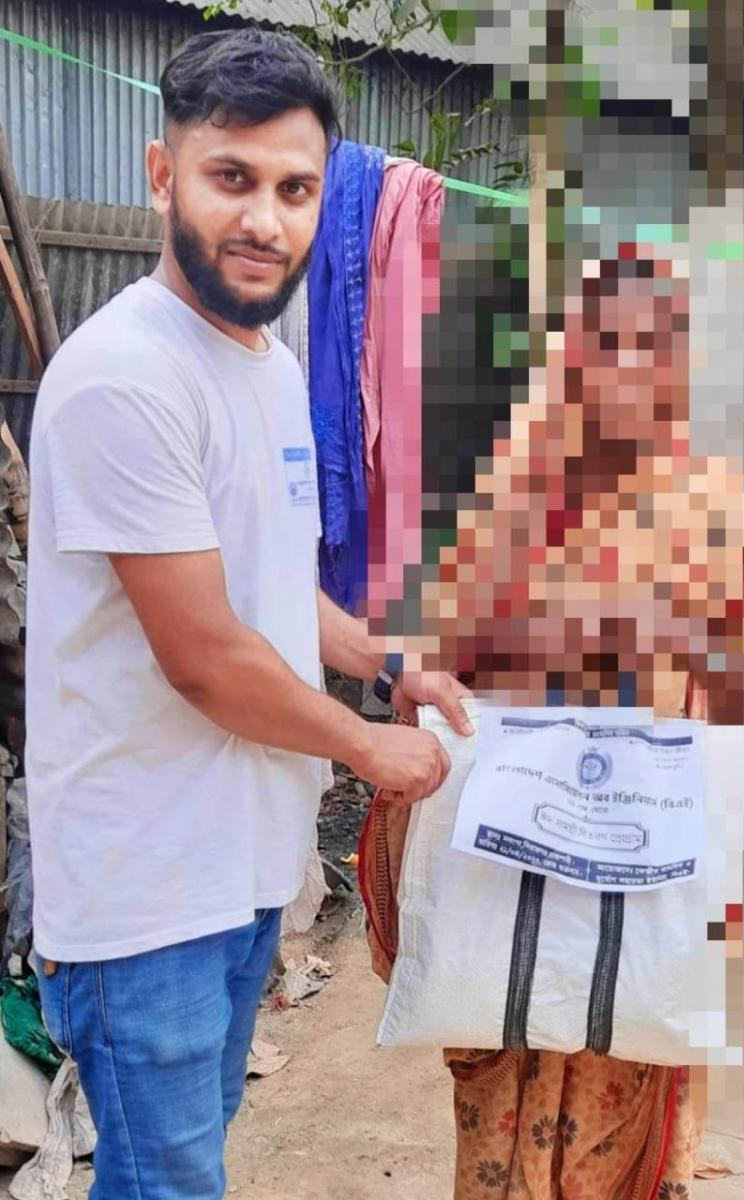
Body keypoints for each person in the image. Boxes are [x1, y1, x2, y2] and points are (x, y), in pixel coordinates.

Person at [26, 28, 471, 1200]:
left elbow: (267, 588)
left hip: (241, 866)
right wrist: (368, 746)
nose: (265, 220)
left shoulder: (266, 364)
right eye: (232, 178)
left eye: (294, 189)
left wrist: (388, 665)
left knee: (191, 1155)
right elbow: (208, 656)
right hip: (145, 891)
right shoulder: (125, 375)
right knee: (166, 1182)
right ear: (161, 173)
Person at [364, 248, 744, 1198]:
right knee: (502, 1064)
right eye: (611, 343)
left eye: (659, 346)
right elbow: (435, 642)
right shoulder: (513, 489)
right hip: (514, 850)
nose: (633, 371)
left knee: (630, 1056)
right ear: (572, 355)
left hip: (648, 850)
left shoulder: (720, 505)